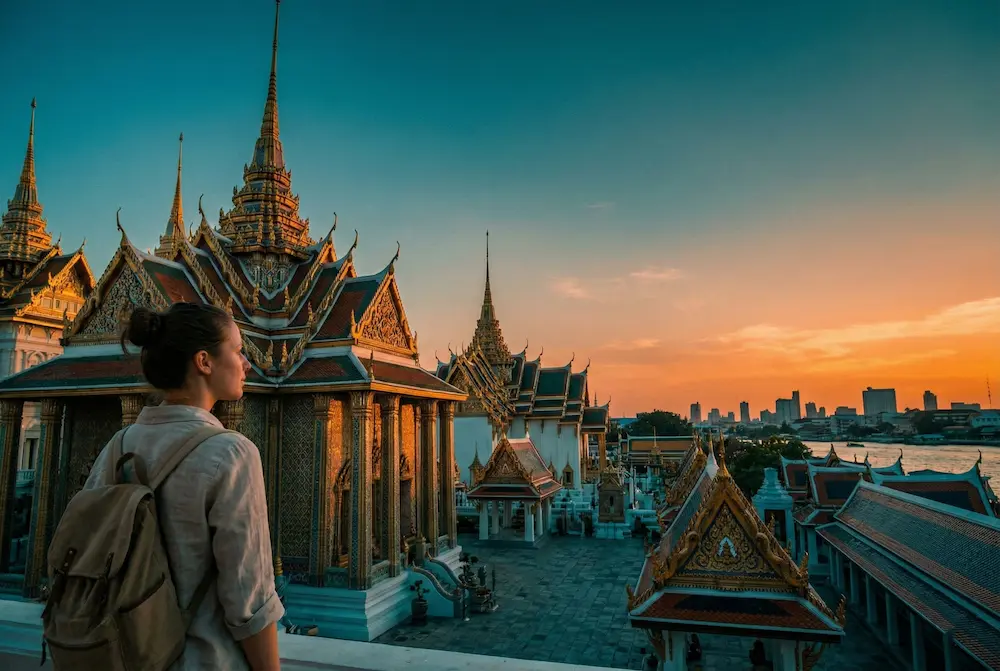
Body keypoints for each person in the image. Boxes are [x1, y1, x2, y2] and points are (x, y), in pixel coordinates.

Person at [84, 302, 283, 670]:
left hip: (123, 654)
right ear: (204, 362)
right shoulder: (233, 452)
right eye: (238, 351)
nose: (247, 364)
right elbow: (249, 600)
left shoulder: (118, 445)